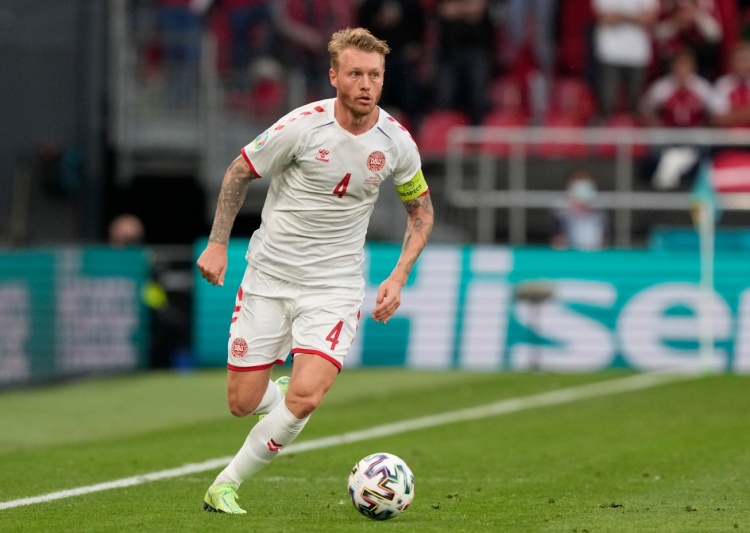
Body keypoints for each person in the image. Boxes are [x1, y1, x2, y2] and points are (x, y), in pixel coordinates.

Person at [196, 27, 434, 514]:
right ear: (334, 77)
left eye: (375, 75)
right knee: (242, 403)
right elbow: (239, 172)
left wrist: (398, 276)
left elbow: (422, 213)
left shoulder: (396, 142)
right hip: (269, 277)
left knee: (305, 398)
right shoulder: (301, 127)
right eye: (356, 74)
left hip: (334, 286)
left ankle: (225, 484)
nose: (366, 84)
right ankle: (277, 397)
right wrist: (218, 243)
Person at [591, 0, 660, 119]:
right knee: (606, 106)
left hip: (637, 55)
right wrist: (635, 17)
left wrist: (619, 16)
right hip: (610, 54)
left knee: (635, 109)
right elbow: (605, 18)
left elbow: (649, 19)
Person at [550, 168, 608, 250]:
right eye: (578, 183)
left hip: (594, 253)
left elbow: (603, 241)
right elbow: (558, 241)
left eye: (586, 183)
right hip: (570, 253)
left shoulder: (599, 209)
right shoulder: (561, 209)